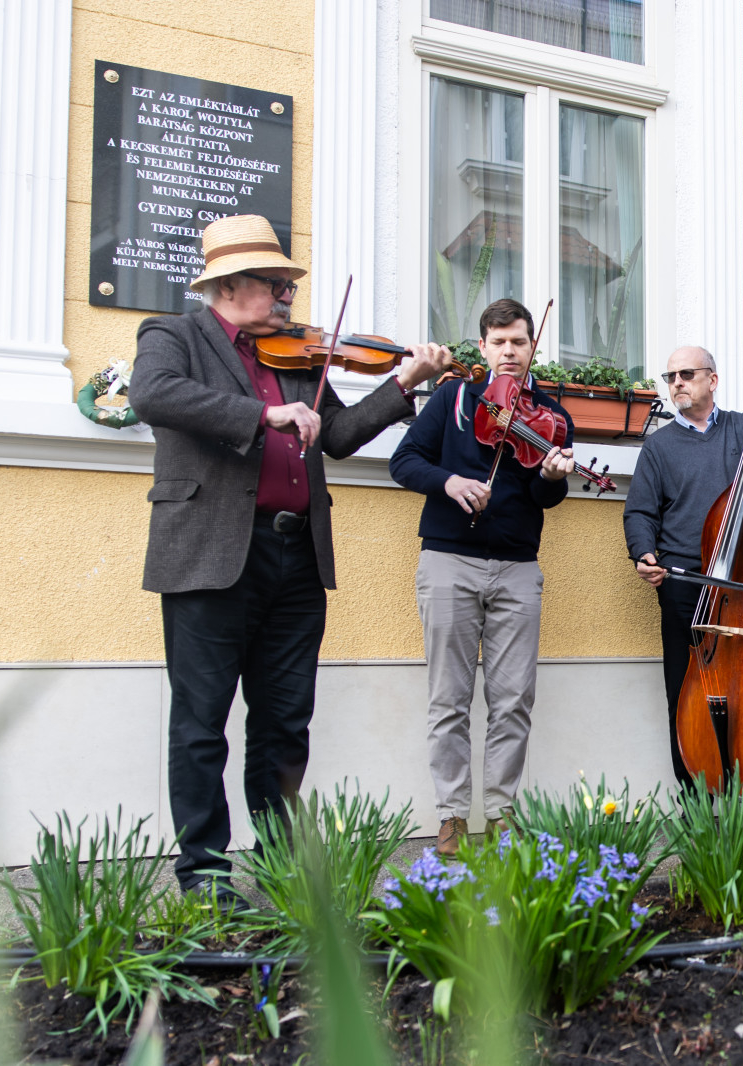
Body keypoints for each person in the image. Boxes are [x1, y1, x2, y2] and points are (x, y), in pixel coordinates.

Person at [130, 215, 451, 905]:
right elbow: (152, 394)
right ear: (228, 285)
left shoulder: (296, 357)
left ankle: (280, 868)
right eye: (274, 285)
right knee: (200, 722)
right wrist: (262, 415)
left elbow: (337, 435)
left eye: (287, 286)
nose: (285, 297)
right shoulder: (173, 336)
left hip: (296, 555)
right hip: (212, 553)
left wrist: (404, 383)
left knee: (283, 723)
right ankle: (205, 876)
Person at [389, 299, 576, 856]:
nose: (509, 352)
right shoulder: (453, 398)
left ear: (532, 345)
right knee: (448, 697)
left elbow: (545, 497)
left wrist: (552, 477)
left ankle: (500, 813)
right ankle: (451, 815)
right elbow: (404, 462)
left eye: (518, 341)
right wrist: (448, 483)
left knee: (513, 698)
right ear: (483, 347)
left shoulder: (550, 415)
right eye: (499, 342)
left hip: (518, 567)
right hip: (449, 561)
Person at [622, 340, 743, 838]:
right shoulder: (659, 447)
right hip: (687, 583)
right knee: (685, 692)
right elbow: (640, 511)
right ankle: (694, 798)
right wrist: (644, 553)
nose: (677, 384)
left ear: (712, 379)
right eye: (670, 377)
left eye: (686, 374)